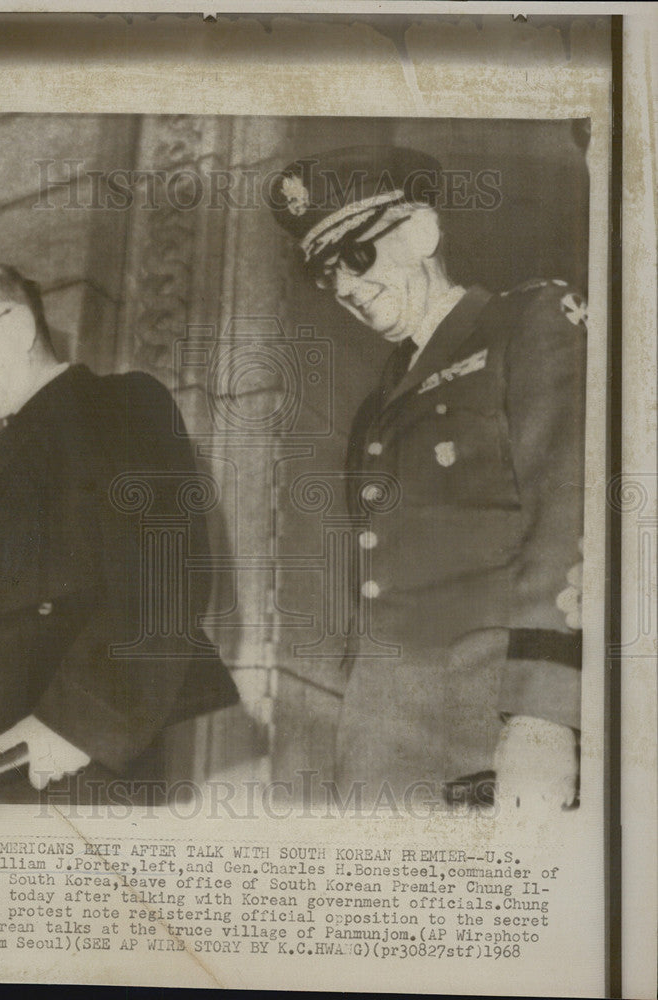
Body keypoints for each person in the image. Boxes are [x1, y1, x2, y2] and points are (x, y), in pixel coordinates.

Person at [271, 145, 586, 813]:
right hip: (379, 751)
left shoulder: (525, 323)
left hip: (488, 733)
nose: (346, 289)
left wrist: (542, 717)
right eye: (328, 275)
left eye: (356, 256)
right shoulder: (375, 409)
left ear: (420, 232)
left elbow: (563, 520)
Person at [0, 263, 237, 803]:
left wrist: (78, 723)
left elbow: (165, 574)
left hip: (55, 767)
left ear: (18, 327)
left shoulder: (117, 404)